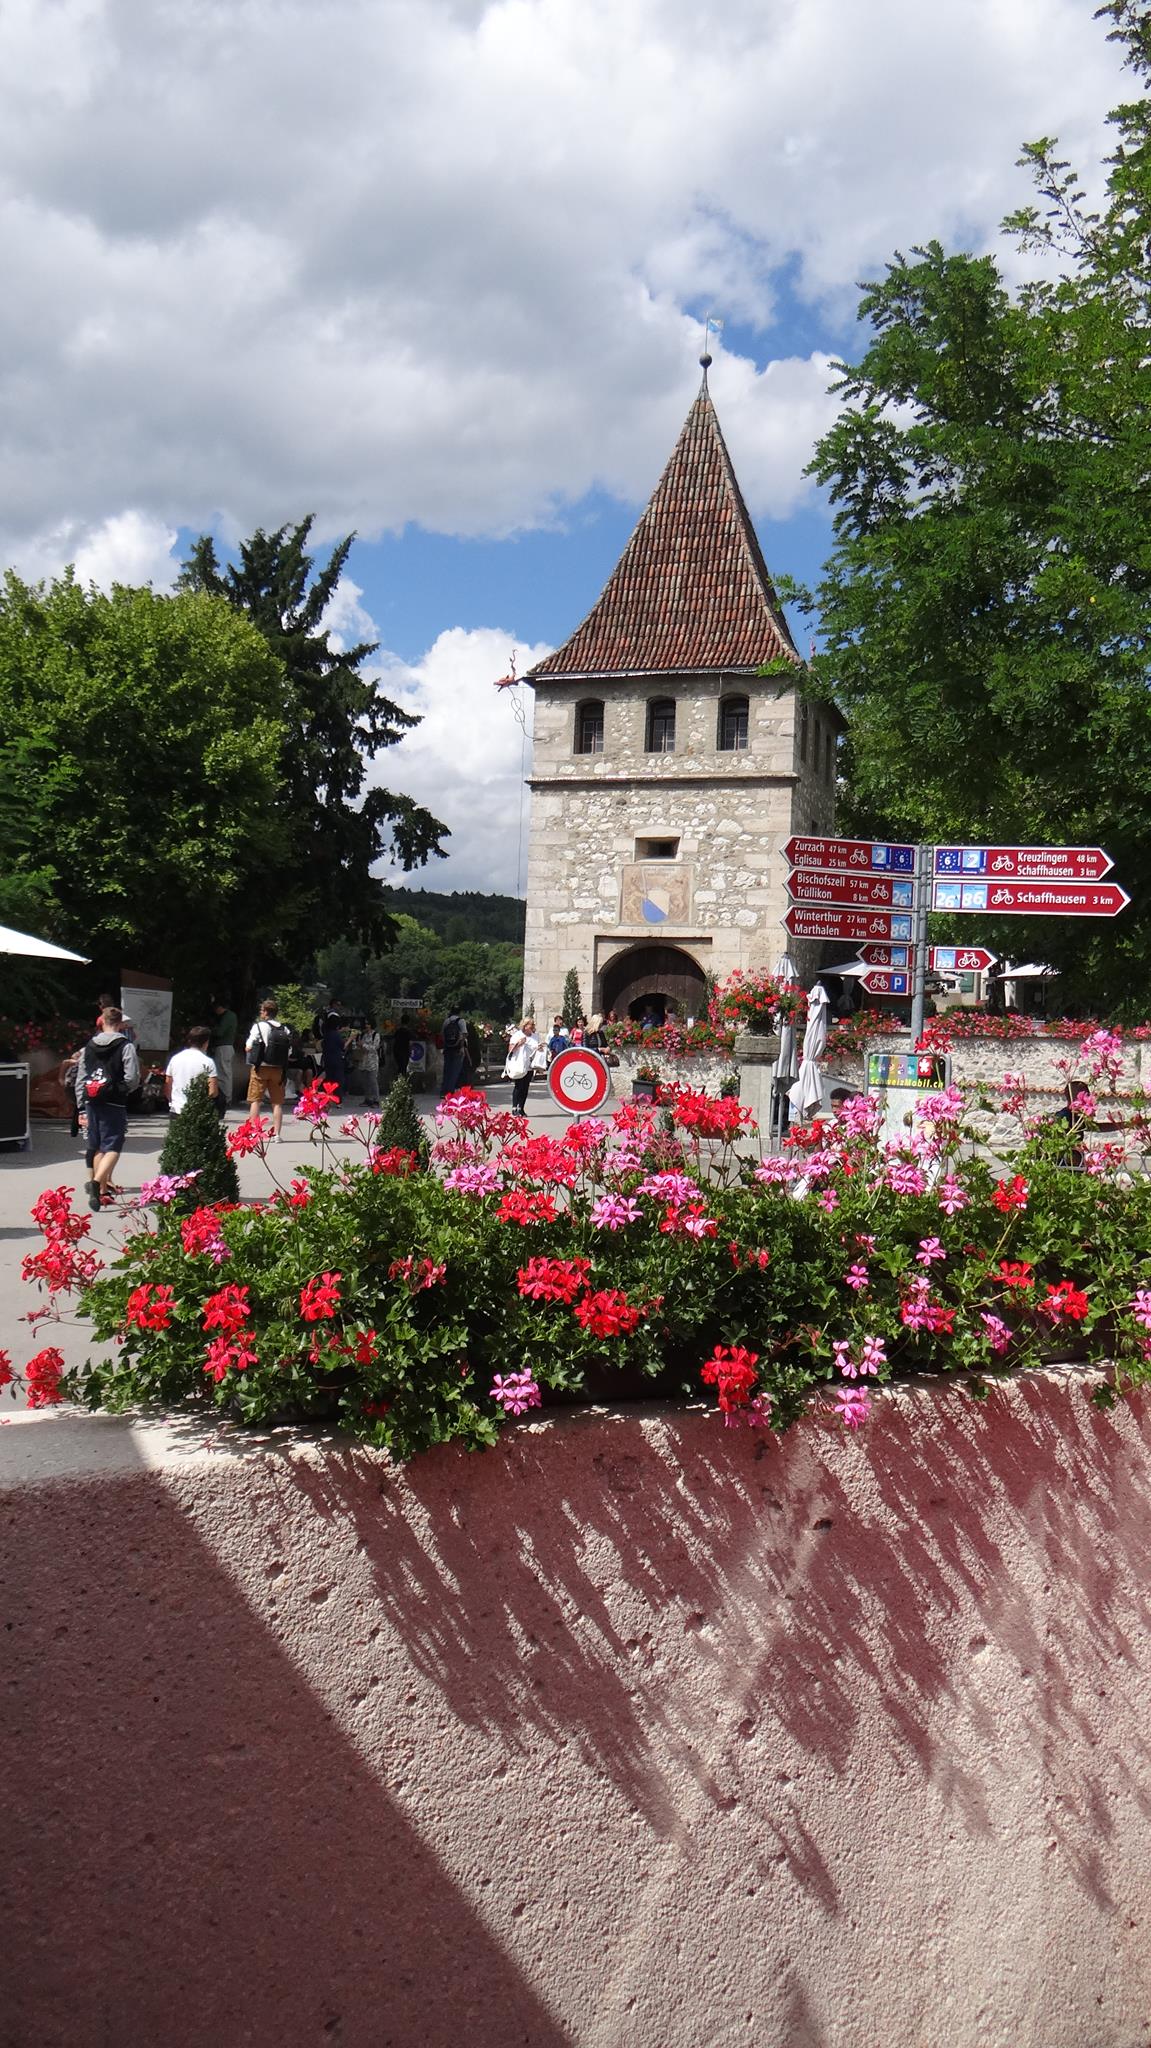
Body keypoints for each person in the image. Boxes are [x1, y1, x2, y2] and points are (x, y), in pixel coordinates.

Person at [76, 1005, 140, 1211]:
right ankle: (96, 1183)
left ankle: (100, 1190)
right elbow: (132, 1077)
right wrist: (121, 1090)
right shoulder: (126, 1046)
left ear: (101, 1021)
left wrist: (81, 1103)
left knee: (96, 1145)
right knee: (113, 1144)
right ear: (120, 1024)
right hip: (114, 1100)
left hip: (91, 1098)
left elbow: (81, 1076)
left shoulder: (89, 1046)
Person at [245, 998, 292, 1139]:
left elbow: (249, 1046)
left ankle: (254, 1132)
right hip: (278, 1069)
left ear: (265, 1012)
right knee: (277, 1103)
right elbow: (289, 1051)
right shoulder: (285, 1029)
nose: (261, 1013)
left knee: (256, 1100)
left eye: (261, 1010)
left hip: (261, 1067)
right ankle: (277, 1134)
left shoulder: (259, 1026)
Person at [165, 1027, 219, 1115]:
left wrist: (172, 1101)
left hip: (176, 1109)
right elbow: (213, 1091)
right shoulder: (208, 1062)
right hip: (198, 1111)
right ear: (206, 1042)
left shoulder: (175, 1059)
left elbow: (168, 1086)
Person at [208, 997, 238, 1114]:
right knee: (225, 1073)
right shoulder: (231, 1016)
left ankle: (226, 1098)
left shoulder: (227, 1017)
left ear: (220, 1007)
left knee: (223, 1074)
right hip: (227, 1047)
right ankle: (226, 1097)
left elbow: (220, 1032)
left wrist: (210, 1030)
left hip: (223, 1047)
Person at [504, 1017, 539, 1114]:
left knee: (525, 1087)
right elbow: (510, 1050)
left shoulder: (535, 1036)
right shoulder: (517, 1035)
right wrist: (519, 1043)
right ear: (525, 1026)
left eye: (532, 1024)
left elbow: (536, 1048)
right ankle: (514, 1107)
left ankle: (521, 1107)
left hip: (530, 1064)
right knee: (519, 1086)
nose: (532, 1026)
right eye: (530, 1025)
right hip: (519, 1063)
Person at [320, 1006, 346, 1103]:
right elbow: (342, 1046)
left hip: (327, 1058)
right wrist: (351, 1039)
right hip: (337, 1059)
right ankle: (338, 1099)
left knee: (329, 1079)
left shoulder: (327, 1033)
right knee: (338, 1079)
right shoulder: (336, 1035)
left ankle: (328, 1098)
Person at [440, 1008, 468, 1096]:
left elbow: (442, 1034)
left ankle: (443, 1091)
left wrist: (446, 1045)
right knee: (455, 1071)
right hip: (457, 1049)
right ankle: (450, 1091)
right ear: (459, 1013)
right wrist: (461, 1046)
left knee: (447, 1070)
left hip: (447, 1049)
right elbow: (464, 1034)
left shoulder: (446, 1021)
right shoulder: (461, 1021)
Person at [358, 1022, 382, 1108]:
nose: (366, 1026)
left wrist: (363, 1045)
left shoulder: (376, 1035)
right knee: (365, 1081)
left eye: (368, 1024)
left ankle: (376, 1100)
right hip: (364, 1061)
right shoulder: (363, 1035)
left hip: (372, 1061)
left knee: (373, 1081)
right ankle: (367, 1099)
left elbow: (374, 1047)